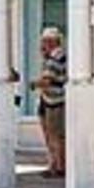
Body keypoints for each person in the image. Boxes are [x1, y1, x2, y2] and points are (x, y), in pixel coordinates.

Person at [35, 27, 67, 178]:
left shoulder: (54, 59)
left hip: (53, 100)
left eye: (44, 41)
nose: (42, 45)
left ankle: (58, 166)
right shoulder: (59, 57)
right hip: (52, 99)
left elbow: (47, 81)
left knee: (54, 135)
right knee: (55, 135)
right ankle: (55, 164)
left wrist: (34, 84)